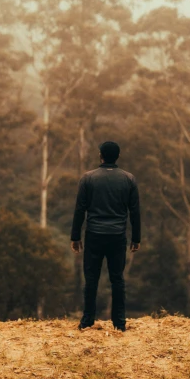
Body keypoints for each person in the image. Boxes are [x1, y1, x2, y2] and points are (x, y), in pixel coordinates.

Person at [71, 141, 141, 332]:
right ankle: (119, 323)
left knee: (91, 279)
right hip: (117, 236)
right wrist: (136, 238)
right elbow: (134, 212)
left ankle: (87, 321)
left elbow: (80, 210)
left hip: (94, 235)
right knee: (117, 279)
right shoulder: (129, 179)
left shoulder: (88, 178)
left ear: (100, 155)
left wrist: (75, 236)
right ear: (117, 156)